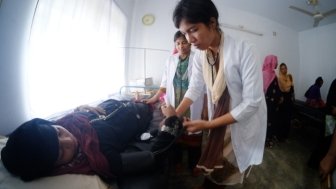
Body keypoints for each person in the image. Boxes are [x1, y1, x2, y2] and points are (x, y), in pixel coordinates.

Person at [165, 0, 267, 187]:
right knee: (216, 169)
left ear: (212, 23)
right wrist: (175, 115)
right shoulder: (200, 56)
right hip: (218, 122)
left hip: (239, 122)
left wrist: (209, 124)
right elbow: (195, 88)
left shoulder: (244, 50)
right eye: (185, 33)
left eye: (193, 30)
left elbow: (252, 103)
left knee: (226, 174)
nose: (189, 40)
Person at [1, 99, 182, 182]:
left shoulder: (64, 121)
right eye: (61, 152)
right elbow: (154, 155)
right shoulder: (102, 159)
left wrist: (80, 108)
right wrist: (172, 120)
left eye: (58, 133)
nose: (69, 141)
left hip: (123, 102)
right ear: (54, 167)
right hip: (143, 113)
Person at [144, 30, 204, 175]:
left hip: (192, 105)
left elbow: (203, 86)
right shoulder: (171, 60)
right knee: (174, 135)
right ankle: (177, 162)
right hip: (174, 103)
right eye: (178, 43)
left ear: (190, 43)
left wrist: (207, 109)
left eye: (184, 42)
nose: (181, 46)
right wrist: (153, 98)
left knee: (193, 135)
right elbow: (164, 85)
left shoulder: (198, 58)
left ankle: (194, 164)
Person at [262, 55, 282, 148]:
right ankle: (263, 140)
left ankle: (268, 139)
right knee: (264, 122)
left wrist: (280, 97)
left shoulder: (274, 75)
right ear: (271, 61)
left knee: (271, 122)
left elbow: (277, 89)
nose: (277, 63)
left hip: (273, 105)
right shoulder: (263, 74)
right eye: (275, 61)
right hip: (265, 104)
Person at [319, 78, 336, 186]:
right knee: (326, 140)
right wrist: (331, 155)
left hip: (329, 116)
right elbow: (334, 109)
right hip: (331, 118)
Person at [277, 62, 295, 141]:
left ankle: (285, 135)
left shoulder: (289, 77)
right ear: (280, 70)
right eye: (282, 69)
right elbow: (285, 90)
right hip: (283, 101)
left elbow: (292, 90)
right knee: (282, 119)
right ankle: (280, 136)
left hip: (289, 101)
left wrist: (293, 98)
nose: (284, 70)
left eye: (285, 68)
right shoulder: (279, 78)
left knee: (288, 119)